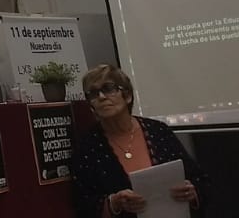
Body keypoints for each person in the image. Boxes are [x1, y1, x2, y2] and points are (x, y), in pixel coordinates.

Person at [71, 65, 207, 217]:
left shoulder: (159, 131)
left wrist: (192, 191)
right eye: (93, 93)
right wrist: (114, 203)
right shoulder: (87, 147)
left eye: (108, 89)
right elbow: (83, 205)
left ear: (127, 95)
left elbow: (200, 180)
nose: (101, 97)